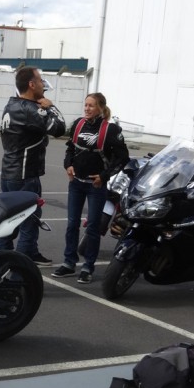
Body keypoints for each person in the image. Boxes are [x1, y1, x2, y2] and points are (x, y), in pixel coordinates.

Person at [52, 93, 128, 283]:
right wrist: (68, 165)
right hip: (76, 184)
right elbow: (70, 149)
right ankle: (69, 263)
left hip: (96, 187)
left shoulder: (111, 130)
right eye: (85, 105)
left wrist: (104, 176)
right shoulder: (78, 124)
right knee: (72, 225)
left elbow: (122, 158)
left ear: (101, 107)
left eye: (91, 105)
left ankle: (88, 267)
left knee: (93, 227)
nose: (87, 108)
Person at [0, 66, 66, 266]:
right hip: (24, 175)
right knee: (29, 221)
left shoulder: (11, 104)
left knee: (9, 220)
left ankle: (9, 259)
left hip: (9, 173)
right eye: (41, 81)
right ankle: (19, 271)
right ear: (31, 84)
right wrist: (51, 106)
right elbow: (59, 128)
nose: (44, 85)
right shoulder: (29, 109)